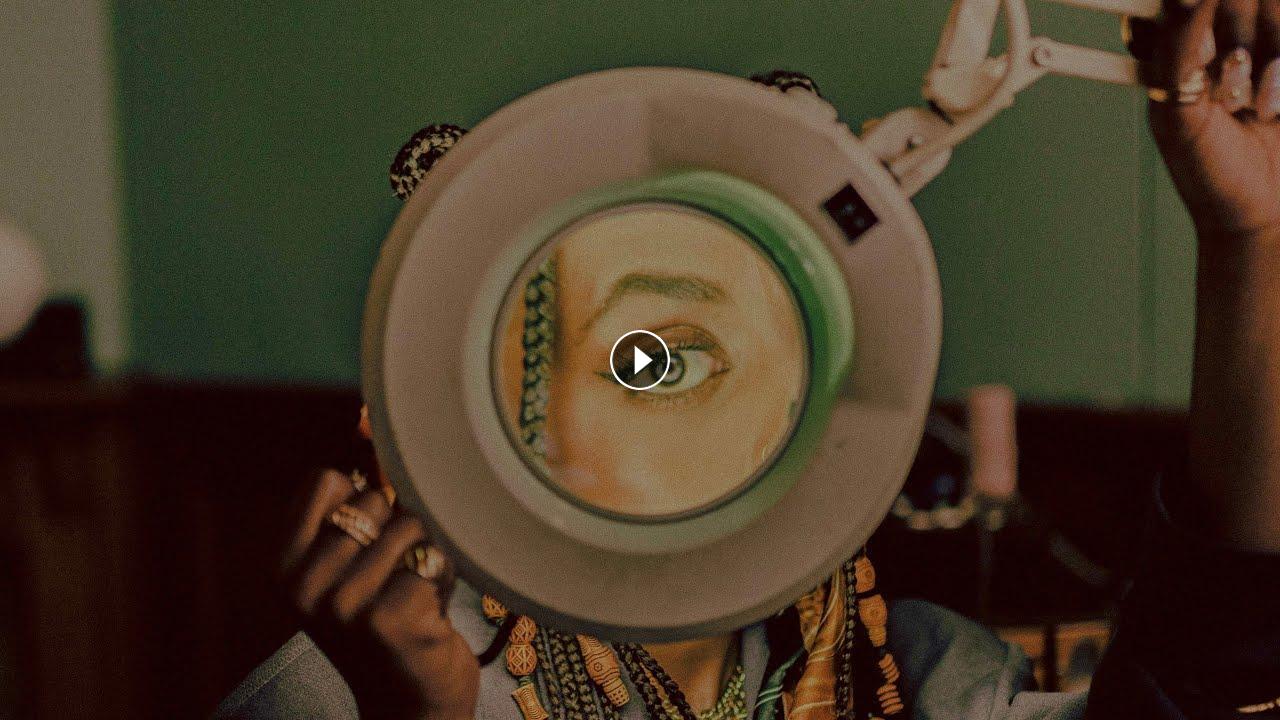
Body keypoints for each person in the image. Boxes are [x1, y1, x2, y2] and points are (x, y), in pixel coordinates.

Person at [215, 2, 1280, 718]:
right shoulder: (351, 695)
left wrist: (1252, 239)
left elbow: (1202, 689)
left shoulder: (919, 679)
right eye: (644, 360)